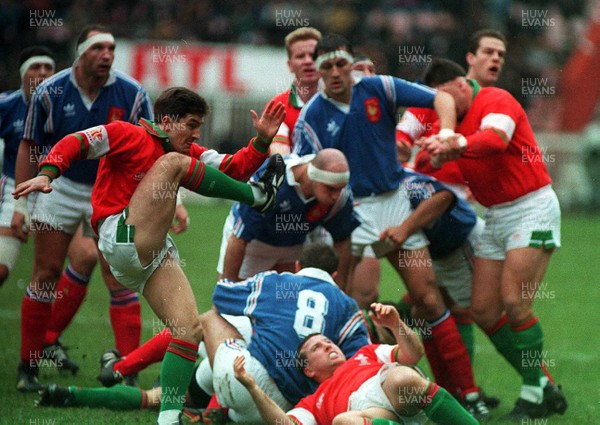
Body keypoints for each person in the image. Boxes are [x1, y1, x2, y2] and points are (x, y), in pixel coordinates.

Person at [14, 86, 286, 424]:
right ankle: (258, 199)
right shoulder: (127, 133)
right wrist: (47, 172)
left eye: (199, 125)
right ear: (167, 122)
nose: (196, 133)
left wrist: (260, 142)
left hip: (150, 254)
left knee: (188, 330)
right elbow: (76, 142)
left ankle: (167, 419)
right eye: (191, 124)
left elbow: (231, 167)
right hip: (121, 235)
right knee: (174, 163)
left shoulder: (186, 151)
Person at [292, 33, 490, 417]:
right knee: (356, 299)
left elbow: (441, 98)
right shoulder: (312, 115)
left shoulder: (378, 87)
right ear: (316, 72)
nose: (335, 73)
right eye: (326, 67)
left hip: (395, 200)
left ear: (351, 63)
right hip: (352, 210)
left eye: (340, 64)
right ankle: (361, 390)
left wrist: (447, 133)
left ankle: (467, 392)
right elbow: (304, 172)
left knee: (427, 297)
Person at [417, 58, 567, 420]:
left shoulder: (495, 99)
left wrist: (455, 142)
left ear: (458, 84)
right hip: (497, 214)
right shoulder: (450, 123)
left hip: (531, 206)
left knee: (515, 302)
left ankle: (533, 393)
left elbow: (496, 140)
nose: (442, 108)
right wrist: (432, 151)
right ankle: (545, 386)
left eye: (443, 98)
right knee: (483, 309)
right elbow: (432, 163)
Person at [11, 25, 155, 390]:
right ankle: (28, 368)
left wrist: (172, 200)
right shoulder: (50, 91)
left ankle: (128, 373)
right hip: (57, 187)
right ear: (81, 54)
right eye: (99, 48)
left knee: (118, 276)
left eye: (112, 47)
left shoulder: (133, 93)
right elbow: (29, 145)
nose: (107, 54)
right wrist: (23, 205)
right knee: (45, 274)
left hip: (110, 190)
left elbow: (155, 148)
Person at [202, 243, 370, 423]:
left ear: (297, 265)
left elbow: (221, 295)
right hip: (289, 409)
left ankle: (185, 404)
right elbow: (359, 361)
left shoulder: (275, 282)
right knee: (243, 411)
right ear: (334, 275)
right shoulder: (349, 307)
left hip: (245, 379)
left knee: (210, 318)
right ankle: (217, 412)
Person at [234, 303, 480, 425]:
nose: (328, 346)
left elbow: (414, 355)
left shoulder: (366, 353)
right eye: (317, 348)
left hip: (395, 392)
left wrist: (395, 325)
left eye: (328, 341)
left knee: (401, 378)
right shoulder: (313, 403)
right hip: (374, 417)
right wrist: (253, 388)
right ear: (308, 369)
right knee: (343, 421)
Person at [217, 149, 359, 287]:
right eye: (330, 189)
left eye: (340, 188)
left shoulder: (341, 197)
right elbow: (239, 238)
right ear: (314, 177)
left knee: (286, 301)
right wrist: (228, 291)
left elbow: (342, 241)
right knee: (237, 305)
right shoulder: (271, 181)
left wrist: (339, 295)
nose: (336, 196)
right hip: (255, 245)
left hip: (294, 247)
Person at [0, 46, 54, 286]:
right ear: (22, 73)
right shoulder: (6, 105)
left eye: (48, 68)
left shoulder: (64, 106)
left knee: (69, 263)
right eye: (35, 67)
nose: (42, 73)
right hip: (16, 188)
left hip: (56, 192)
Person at [267, 27, 321, 157]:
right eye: (300, 56)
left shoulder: (339, 101)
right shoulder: (277, 106)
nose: (308, 61)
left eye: (313, 56)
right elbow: (279, 156)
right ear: (290, 65)